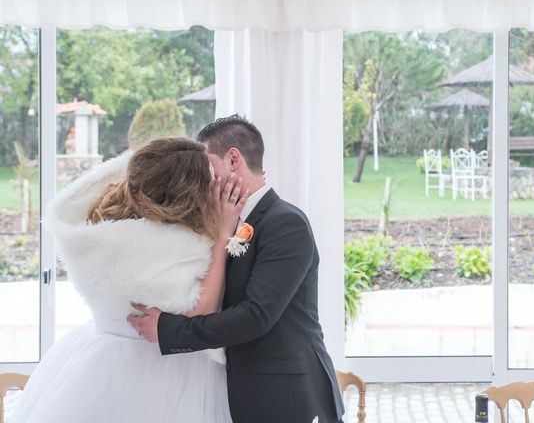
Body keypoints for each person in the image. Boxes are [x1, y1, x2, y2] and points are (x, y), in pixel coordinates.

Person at [129, 115, 346, 423]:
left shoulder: (285, 222)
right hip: (250, 393)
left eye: (208, 169)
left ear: (233, 159)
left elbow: (256, 316)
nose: (204, 181)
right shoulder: (227, 223)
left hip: (289, 396)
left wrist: (168, 329)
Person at [13, 138, 247, 423]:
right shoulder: (176, 251)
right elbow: (203, 310)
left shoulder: (95, 231)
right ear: (187, 196)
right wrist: (223, 233)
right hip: (166, 375)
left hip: (97, 358)